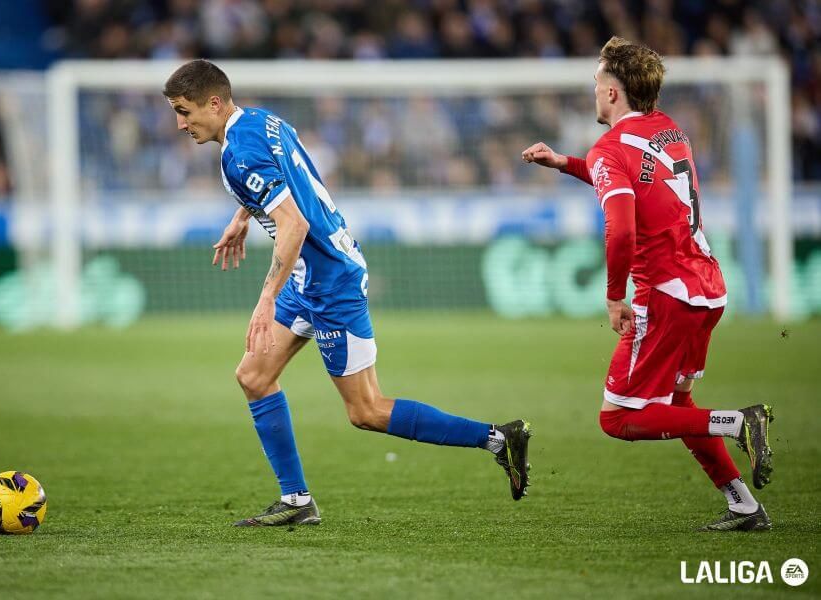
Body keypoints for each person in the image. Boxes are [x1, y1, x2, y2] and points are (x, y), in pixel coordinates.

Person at [163, 59, 532, 526]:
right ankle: (297, 501)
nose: (180, 124)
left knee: (367, 410)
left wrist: (264, 298)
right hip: (308, 275)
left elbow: (293, 223)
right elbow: (285, 183)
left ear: (213, 103)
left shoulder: (239, 153)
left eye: (184, 111)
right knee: (254, 376)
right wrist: (240, 220)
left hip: (329, 280)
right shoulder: (261, 122)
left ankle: (499, 438)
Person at [522, 37, 774, 531]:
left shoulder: (610, 149)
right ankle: (744, 504)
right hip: (707, 289)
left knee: (617, 418)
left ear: (613, 94)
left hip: (664, 295)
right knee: (676, 403)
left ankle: (738, 422)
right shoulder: (669, 131)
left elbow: (622, 230)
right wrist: (565, 163)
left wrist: (615, 295)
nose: (594, 91)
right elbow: (633, 182)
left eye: (597, 83)